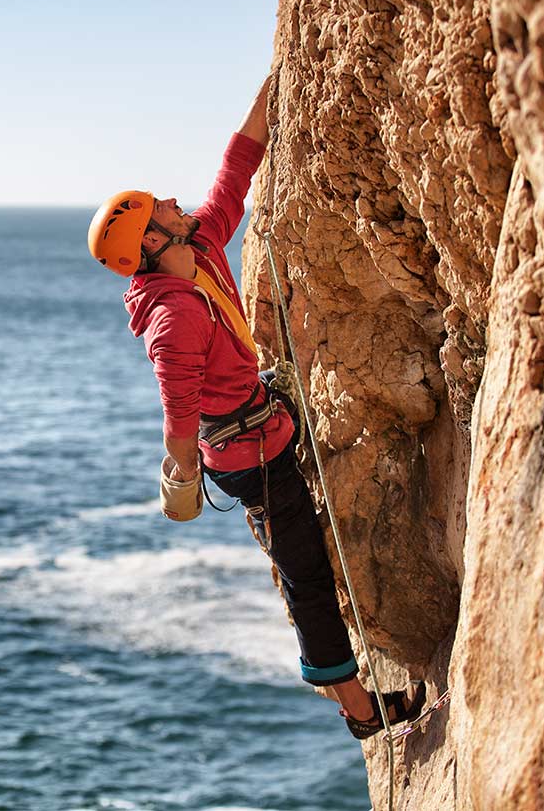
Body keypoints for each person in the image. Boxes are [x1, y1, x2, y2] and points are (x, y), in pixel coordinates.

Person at [85, 73, 425, 740]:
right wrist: (179, 483)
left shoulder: (201, 243)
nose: (174, 201)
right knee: (307, 575)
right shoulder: (172, 319)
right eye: (160, 207)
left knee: (307, 551)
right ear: (150, 245)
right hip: (248, 457)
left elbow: (235, 170)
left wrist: (276, 82)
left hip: (261, 420)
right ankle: (360, 710)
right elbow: (180, 423)